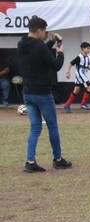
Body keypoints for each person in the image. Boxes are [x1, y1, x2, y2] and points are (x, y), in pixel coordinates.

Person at [18, 16, 71, 172]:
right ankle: (58, 158)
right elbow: (55, 66)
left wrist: (52, 42)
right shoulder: (40, 46)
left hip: (28, 92)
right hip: (42, 93)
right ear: (39, 30)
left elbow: (39, 52)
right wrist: (60, 53)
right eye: (45, 31)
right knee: (52, 126)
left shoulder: (21, 44)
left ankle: (30, 161)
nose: (46, 34)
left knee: (35, 127)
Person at [63, 42, 90, 112]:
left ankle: (67, 105)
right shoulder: (79, 57)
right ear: (83, 49)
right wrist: (68, 72)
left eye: (89, 48)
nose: (89, 50)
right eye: (87, 48)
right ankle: (83, 104)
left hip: (84, 75)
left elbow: (86, 67)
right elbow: (70, 64)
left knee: (77, 90)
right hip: (80, 75)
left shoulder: (88, 57)